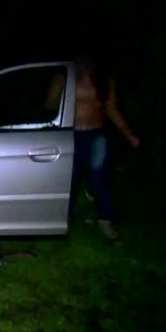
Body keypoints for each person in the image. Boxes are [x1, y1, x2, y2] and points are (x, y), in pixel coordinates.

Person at [47, 54, 140, 240]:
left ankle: (106, 220)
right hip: (70, 135)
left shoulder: (103, 79)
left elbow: (111, 109)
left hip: (96, 136)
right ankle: (65, 218)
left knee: (100, 178)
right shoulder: (64, 76)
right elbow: (49, 105)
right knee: (68, 178)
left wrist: (129, 135)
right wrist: (57, 92)